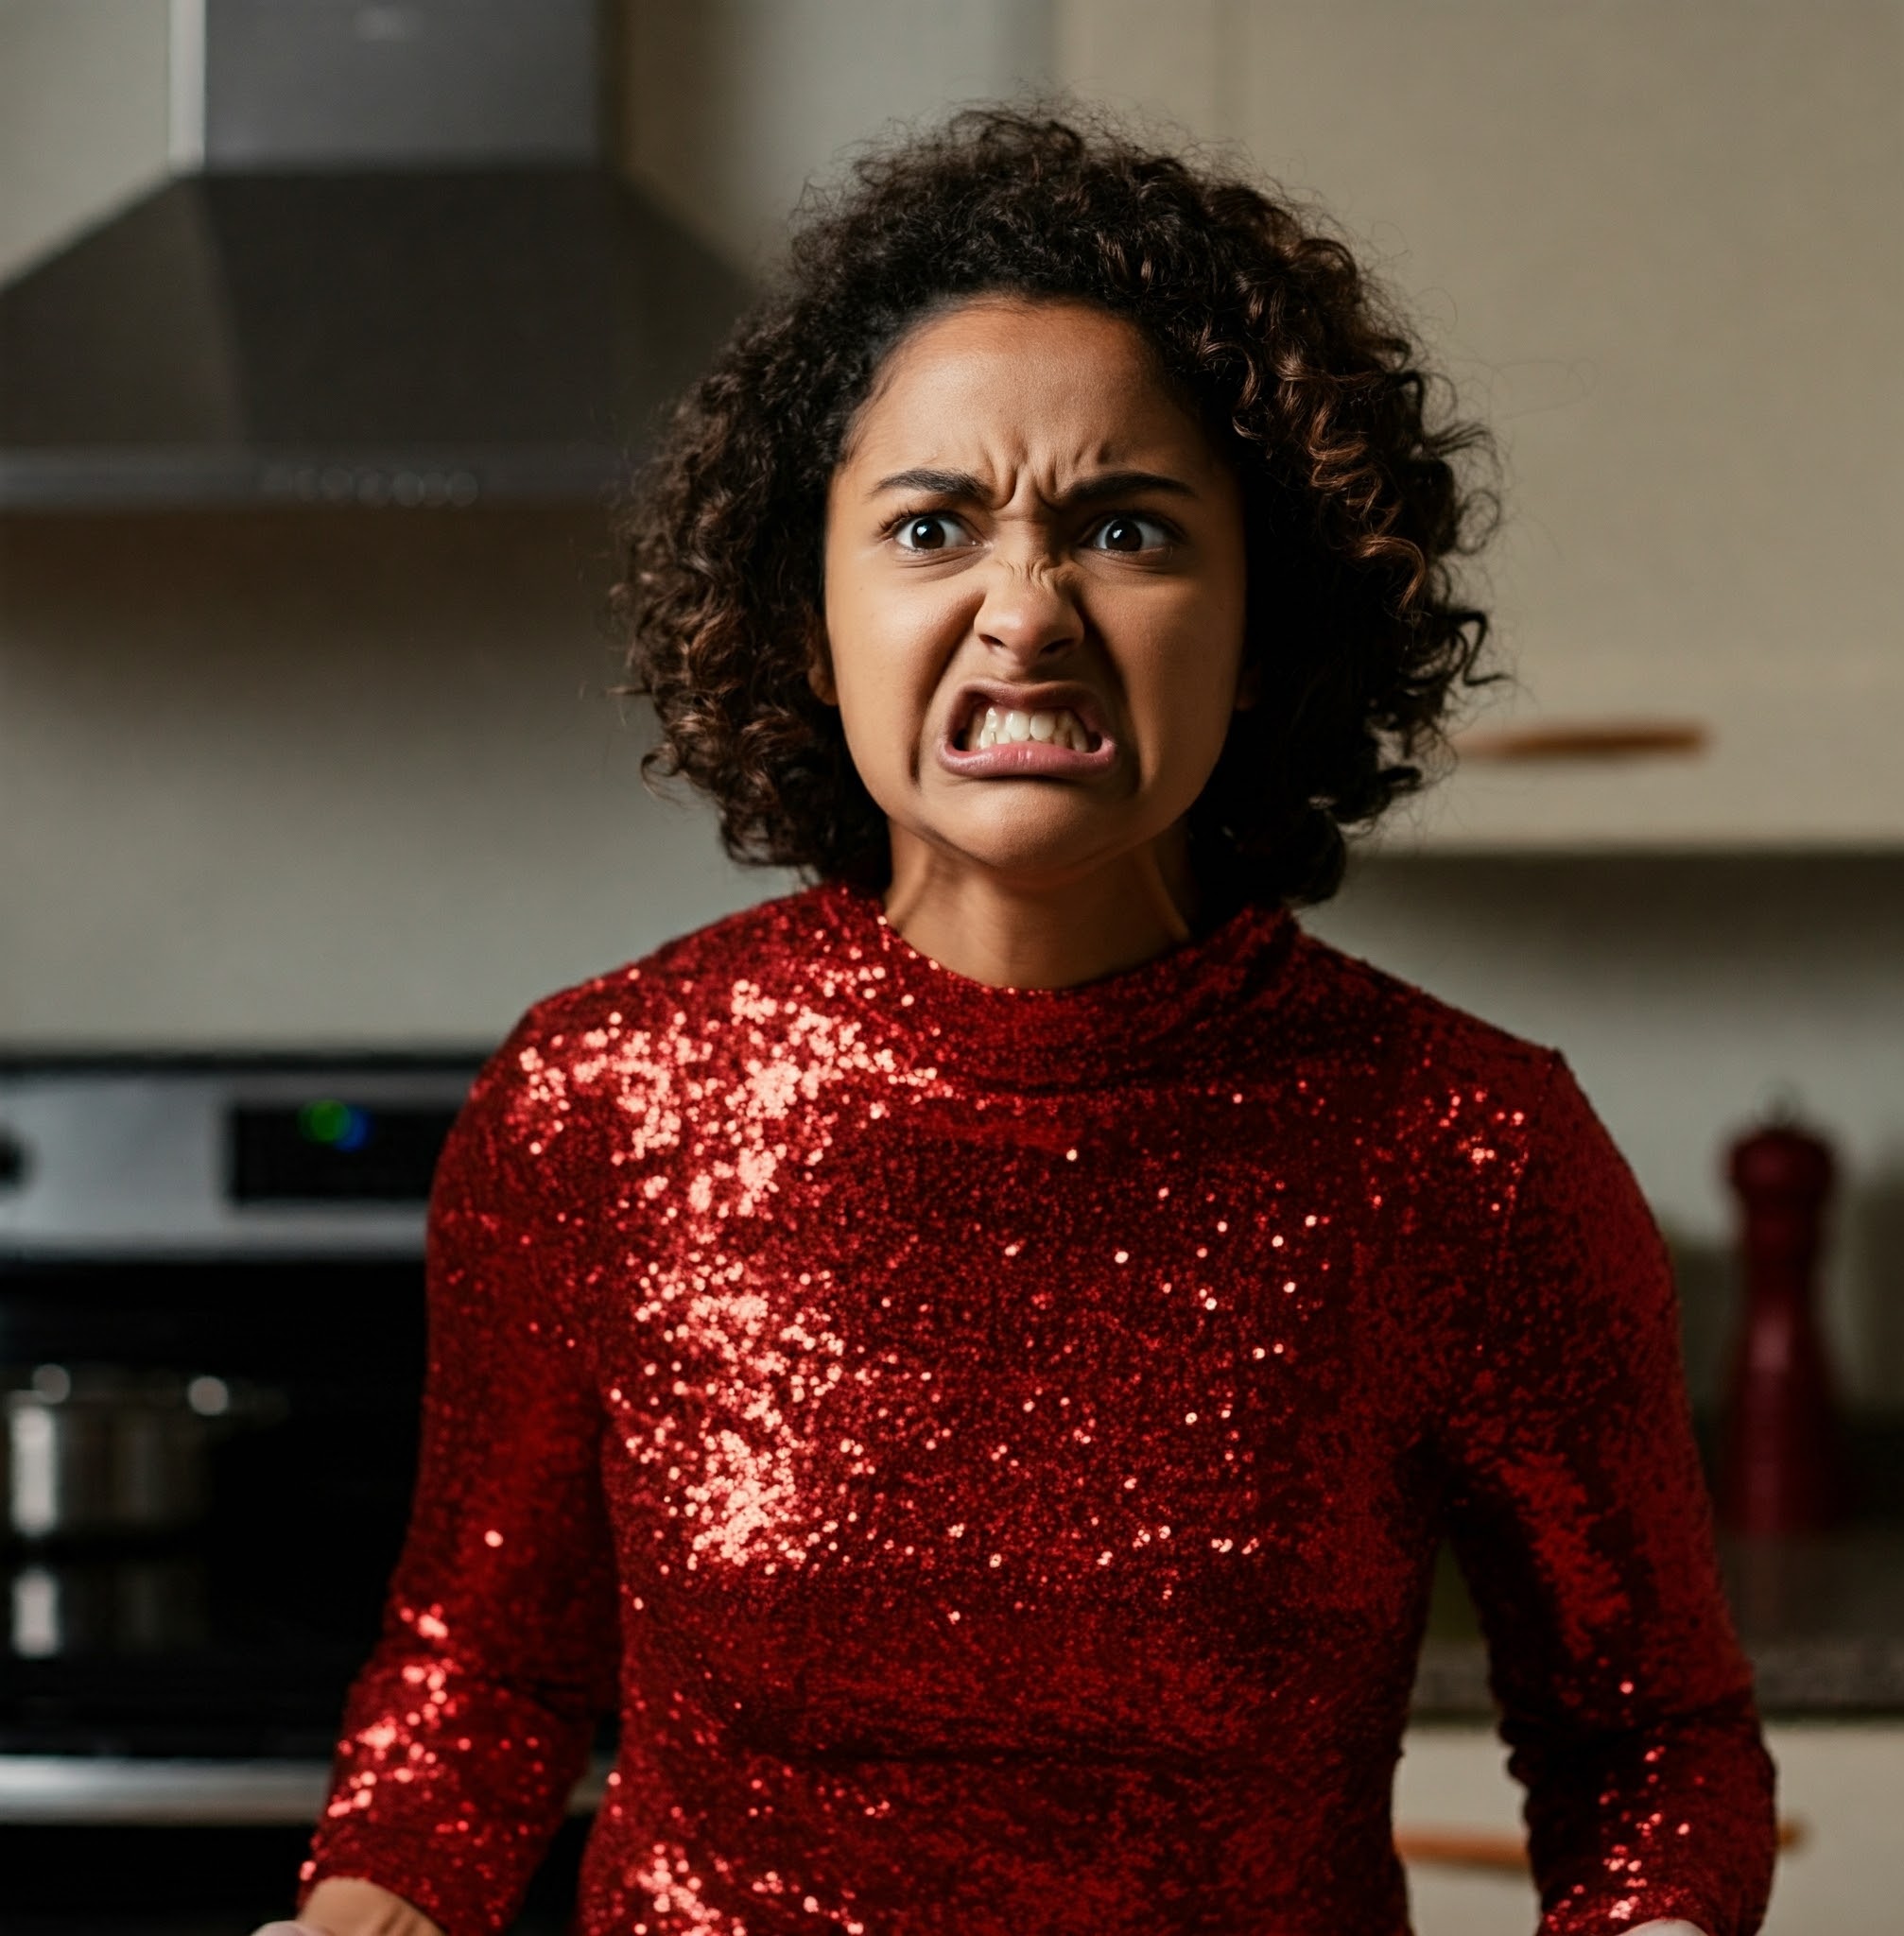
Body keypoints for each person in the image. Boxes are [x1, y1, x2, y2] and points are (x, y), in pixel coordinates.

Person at [266, 110, 1776, 1936]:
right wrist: (361, 1915)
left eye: (1125, 528)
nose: (1026, 614)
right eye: (931, 528)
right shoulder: (597, 1105)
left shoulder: (1464, 1152)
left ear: (1262, 614)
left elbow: (1649, 1749)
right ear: (810, 620)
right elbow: (479, 1696)